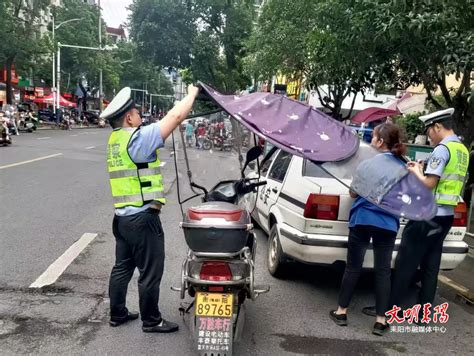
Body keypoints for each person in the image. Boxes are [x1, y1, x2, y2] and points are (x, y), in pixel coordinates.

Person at [101, 84, 200, 333]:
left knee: (122, 266)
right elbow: (175, 117)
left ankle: (118, 313)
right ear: (128, 117)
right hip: (142, 218)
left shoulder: (115, 140)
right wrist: (192, 95)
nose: (140, 117)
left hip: (122, 218)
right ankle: (151, 320)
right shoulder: (137, 138)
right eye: (136, 113)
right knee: (150, 271)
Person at [363, 108, 469, 320]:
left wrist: (416, 172)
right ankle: (424, 314)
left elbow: (429, 184)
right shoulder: (462, 150)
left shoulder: (442, 149)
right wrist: (421, 170)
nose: (428, 135)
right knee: (431, 264)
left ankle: (389, 310)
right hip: (446, 216)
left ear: (438, 126)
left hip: (427, 216)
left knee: (406, 263)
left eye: (429, 130)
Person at [330, 123, 407, 336]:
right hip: (388, 224)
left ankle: (341, 312)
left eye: (373, 137)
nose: (371, 141)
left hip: (362, 219)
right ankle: (381, 321)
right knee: (383, 271)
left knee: (353, 267)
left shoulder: (366, 165)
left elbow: (353, 194)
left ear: (380, 142)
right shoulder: (404, 168)